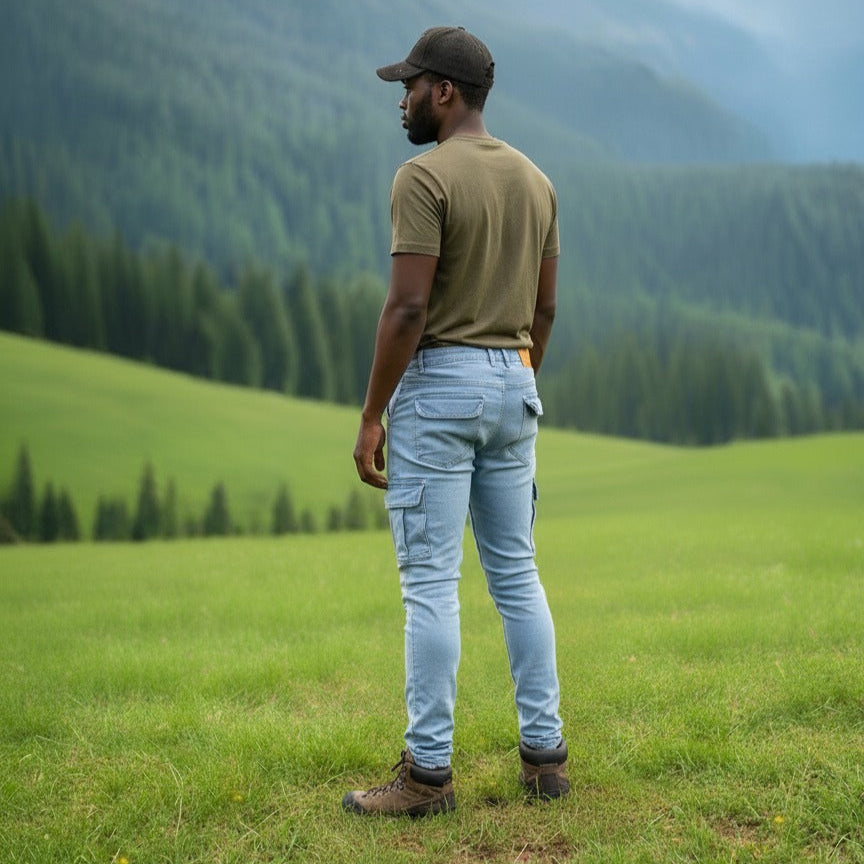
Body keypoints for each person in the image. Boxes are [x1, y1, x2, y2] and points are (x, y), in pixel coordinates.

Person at [345, 26, 568, 817]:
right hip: (516, 378)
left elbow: (408, 306)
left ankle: (428, 778)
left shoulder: (423, 176)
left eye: (408, 86)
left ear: (444, 92)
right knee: (516, 574)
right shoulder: (536, 180)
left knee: (431, 587)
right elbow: (544, 309)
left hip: (440, 384)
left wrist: (373, 414)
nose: (400, 100)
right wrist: (515, 373)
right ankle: (546, 759)